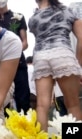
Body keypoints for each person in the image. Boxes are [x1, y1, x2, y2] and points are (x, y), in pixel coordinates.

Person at [28, 0, 82, 131]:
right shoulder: (68, 10)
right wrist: (78, 63)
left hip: (40, 57)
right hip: (62, 53)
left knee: (41, 105)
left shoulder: (33, 18)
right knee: (72, 105)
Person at [0, 0, 31, 114]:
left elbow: (25, 43)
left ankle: (26, 128)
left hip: (18, 64)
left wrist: (11, 53)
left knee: (23, 99)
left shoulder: (18, 17)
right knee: (1, 99)